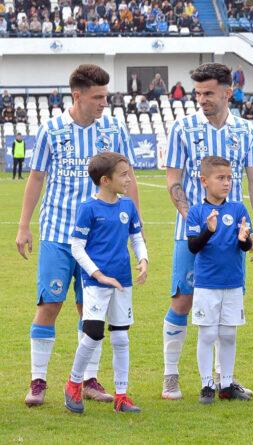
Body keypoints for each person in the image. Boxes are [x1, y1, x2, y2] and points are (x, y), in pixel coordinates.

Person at [17, 64, 140, 407]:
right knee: (49, 304)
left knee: (91, 309)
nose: (104, 103)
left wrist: (136, 224)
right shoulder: (52, 129)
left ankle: (88, 380)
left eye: (105, 96)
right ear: (77, 96)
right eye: (98, 97)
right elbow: (36, 178)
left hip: (100, 241)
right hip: (58, 233)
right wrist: (24, 225)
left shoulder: (114, 129)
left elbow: (129, 179)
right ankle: (38, 381)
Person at [162, 63, 253, 400]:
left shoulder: (245, 130)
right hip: (192, 234)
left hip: (232, 237)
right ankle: (171, 375)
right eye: (198, 93)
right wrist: (193, 219)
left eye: (208, 93)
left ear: (227, 92)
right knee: (183, 299)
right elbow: (173, 179)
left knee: (226, 306)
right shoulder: (182, 128)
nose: (202, 99)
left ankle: (223, 379)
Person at [64, 152, 148, 414]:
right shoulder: (89, 208)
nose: (129, 179)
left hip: (122, 281)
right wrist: (98, 274)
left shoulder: (127, 206)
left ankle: (121, 396)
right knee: (93, 333)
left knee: (121, 337)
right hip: (96, 283)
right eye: (123, 175)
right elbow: (77, 247)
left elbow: (136, 237)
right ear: (105, 180)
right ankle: (73, 384)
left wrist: (143, 259)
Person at [186, 156, 253, 403]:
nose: (226, 183)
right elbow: (193, 247)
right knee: (207, 334)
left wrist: (245, 238)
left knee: (228, 334)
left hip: (233, 283)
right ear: (204, 181)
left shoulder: (238, 209)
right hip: (207, 284)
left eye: (229, 178)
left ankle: (226, 384)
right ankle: (206, 385)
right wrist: (209, 230)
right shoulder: (196, 212)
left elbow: (245, 246)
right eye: (220, 178)